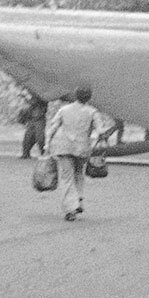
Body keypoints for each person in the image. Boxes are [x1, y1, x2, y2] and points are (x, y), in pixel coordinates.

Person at [45, 87, 106, 221]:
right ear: (89, 98)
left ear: (75, 96)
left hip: (63, 146)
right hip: (82, 147)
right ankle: (78, 200)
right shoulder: (92, 112)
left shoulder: (64, 110)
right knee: (79, 174)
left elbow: (53, 127)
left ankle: (70, 208)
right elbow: (100, 131)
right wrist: (97, 139)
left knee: (66, 178)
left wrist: (47, 144)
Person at [19, 92, 49, 159]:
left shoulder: (44, 95)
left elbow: (34, 102)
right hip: (32, 119)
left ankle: (43, 153)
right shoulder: (34, 93)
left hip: (39, 119)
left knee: (39, 137)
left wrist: (25, 97)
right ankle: (26, 153)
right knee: (28, 137)